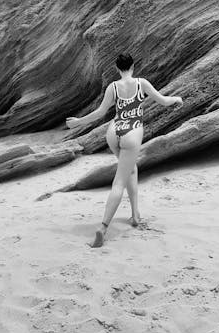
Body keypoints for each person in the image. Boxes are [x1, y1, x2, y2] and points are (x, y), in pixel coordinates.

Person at [66, 53, 183, 248]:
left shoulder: (113, 87)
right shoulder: (141, 83)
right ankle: (103, 227)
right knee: (119, 181)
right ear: (133, 66)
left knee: (130, 168)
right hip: (132, 132)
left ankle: (135, 214)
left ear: (117, 68)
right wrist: (177, 98)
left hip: (114, 132)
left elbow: (100, 113)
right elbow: (163, 101)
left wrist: (79, 122)